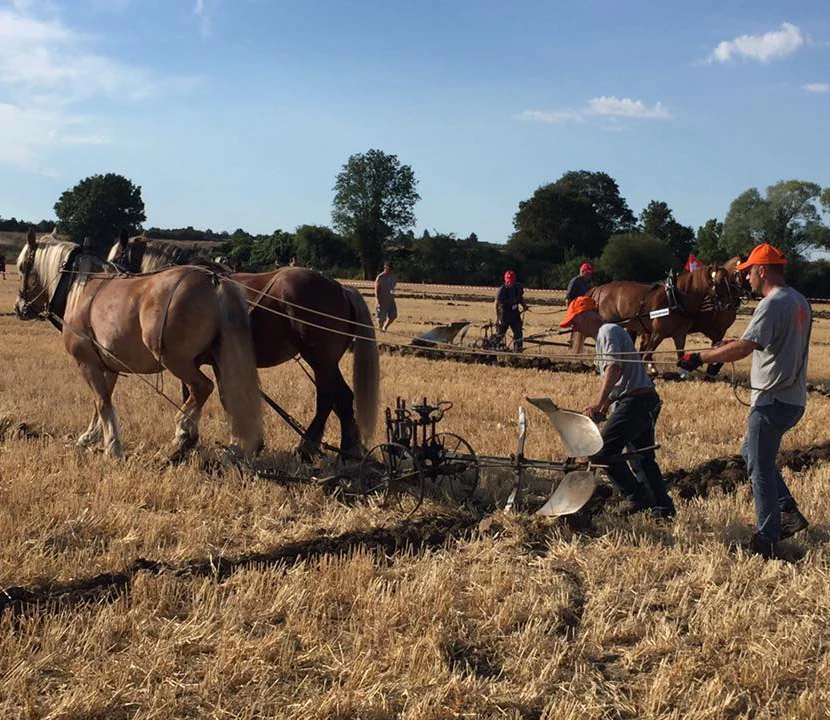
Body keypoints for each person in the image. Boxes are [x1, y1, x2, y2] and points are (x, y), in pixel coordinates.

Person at [679, 243, 811, 558]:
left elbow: (745, 348)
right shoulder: (798, 300)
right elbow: (764, 341)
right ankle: (788, 512)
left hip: (771, 401)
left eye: (749, 271)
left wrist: (700, 356)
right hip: (793, 400)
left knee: (761, 468)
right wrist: (729, 343)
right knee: (749, 451)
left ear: (762, 270)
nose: (747, 278)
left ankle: (766, 539)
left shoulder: (772, 304)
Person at [560, 295, 676, 519]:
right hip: (643, 400)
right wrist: (605, 406)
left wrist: (600, 403)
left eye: (574, 321)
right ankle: (663, 508)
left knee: (601, 453)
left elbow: (614, 370)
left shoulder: (607, 332)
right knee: (642, 458)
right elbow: (620, 378)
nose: (573, 327)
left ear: (585, 315)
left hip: (635, 402)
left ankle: (637, 496)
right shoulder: (606, 335)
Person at [495, 270, 528, 352]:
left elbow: (520, 298)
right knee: (500, 334)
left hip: (515, 315)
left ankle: (517, 351)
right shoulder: (502, 290)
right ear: (506, 280)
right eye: (509, 282)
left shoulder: (518, 287)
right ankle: (493, 348)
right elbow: (496, 304)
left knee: (518, 334)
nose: (510, 283)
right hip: (504, 314)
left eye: (512, 281)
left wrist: (524, 306)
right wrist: (498, 317)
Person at [567, 262, 594, 351]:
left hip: (583, 310)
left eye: (590, 273)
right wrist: (570, 313)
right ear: (582, 271)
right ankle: (572, 346)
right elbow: (568, 297)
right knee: (576, 328)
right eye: (588, 272)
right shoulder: (575, 281)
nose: (589, 275)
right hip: (575, 309)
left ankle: (577, 346)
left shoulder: (587, 284)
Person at [374, 261, 397, 331]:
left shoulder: (393, 277)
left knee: (393, 316)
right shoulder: (380, 277)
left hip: (390, 301)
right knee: (381, 319)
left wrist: (392, 295)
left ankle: (385, 327)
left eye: (391, 269)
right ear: (385, 268)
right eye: (389, 269)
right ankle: (380, 329)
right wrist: (377, 301)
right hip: (382, 301)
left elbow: (393, 287)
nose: (391, 271)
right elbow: (376, 290)